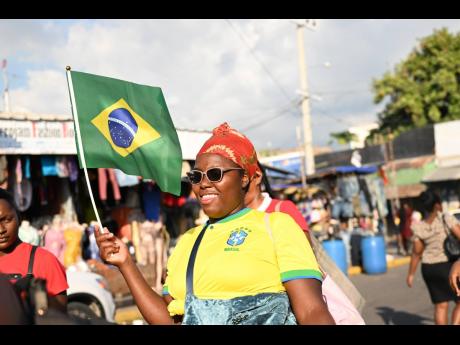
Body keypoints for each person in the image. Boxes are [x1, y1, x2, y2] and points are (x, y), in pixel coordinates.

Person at [95, 122, 334, 325]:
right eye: (196, 176)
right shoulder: (187, 241)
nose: (204, 183)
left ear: (244, 178)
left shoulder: (278, 226)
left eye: (215, 174)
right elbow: (170, 320)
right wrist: (126, 264)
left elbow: (312, 312)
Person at [245, 162, 366, 314]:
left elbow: (306, 257)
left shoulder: (282, 210)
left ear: (256, 178)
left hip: (293, 303)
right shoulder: (231, 220)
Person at [0, 188, 68, 313]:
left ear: (19, 217)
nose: (1, 230)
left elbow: (61, 315)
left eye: (6, 220)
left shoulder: (44, 260)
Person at [406, 190, 460, 325]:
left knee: (440, 306)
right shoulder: (446, 219)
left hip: (429, 268)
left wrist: (411, 274)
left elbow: (416, 252)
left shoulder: (418, 227)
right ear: (437, 205)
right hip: (447, 265)